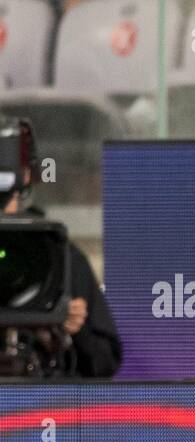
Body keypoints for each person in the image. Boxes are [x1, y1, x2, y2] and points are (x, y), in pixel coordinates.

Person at [0, 119, 120, 379]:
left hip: (41, 405)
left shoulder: (54, 254)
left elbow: (105, 361)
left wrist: (74, 331)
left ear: (28, 176)